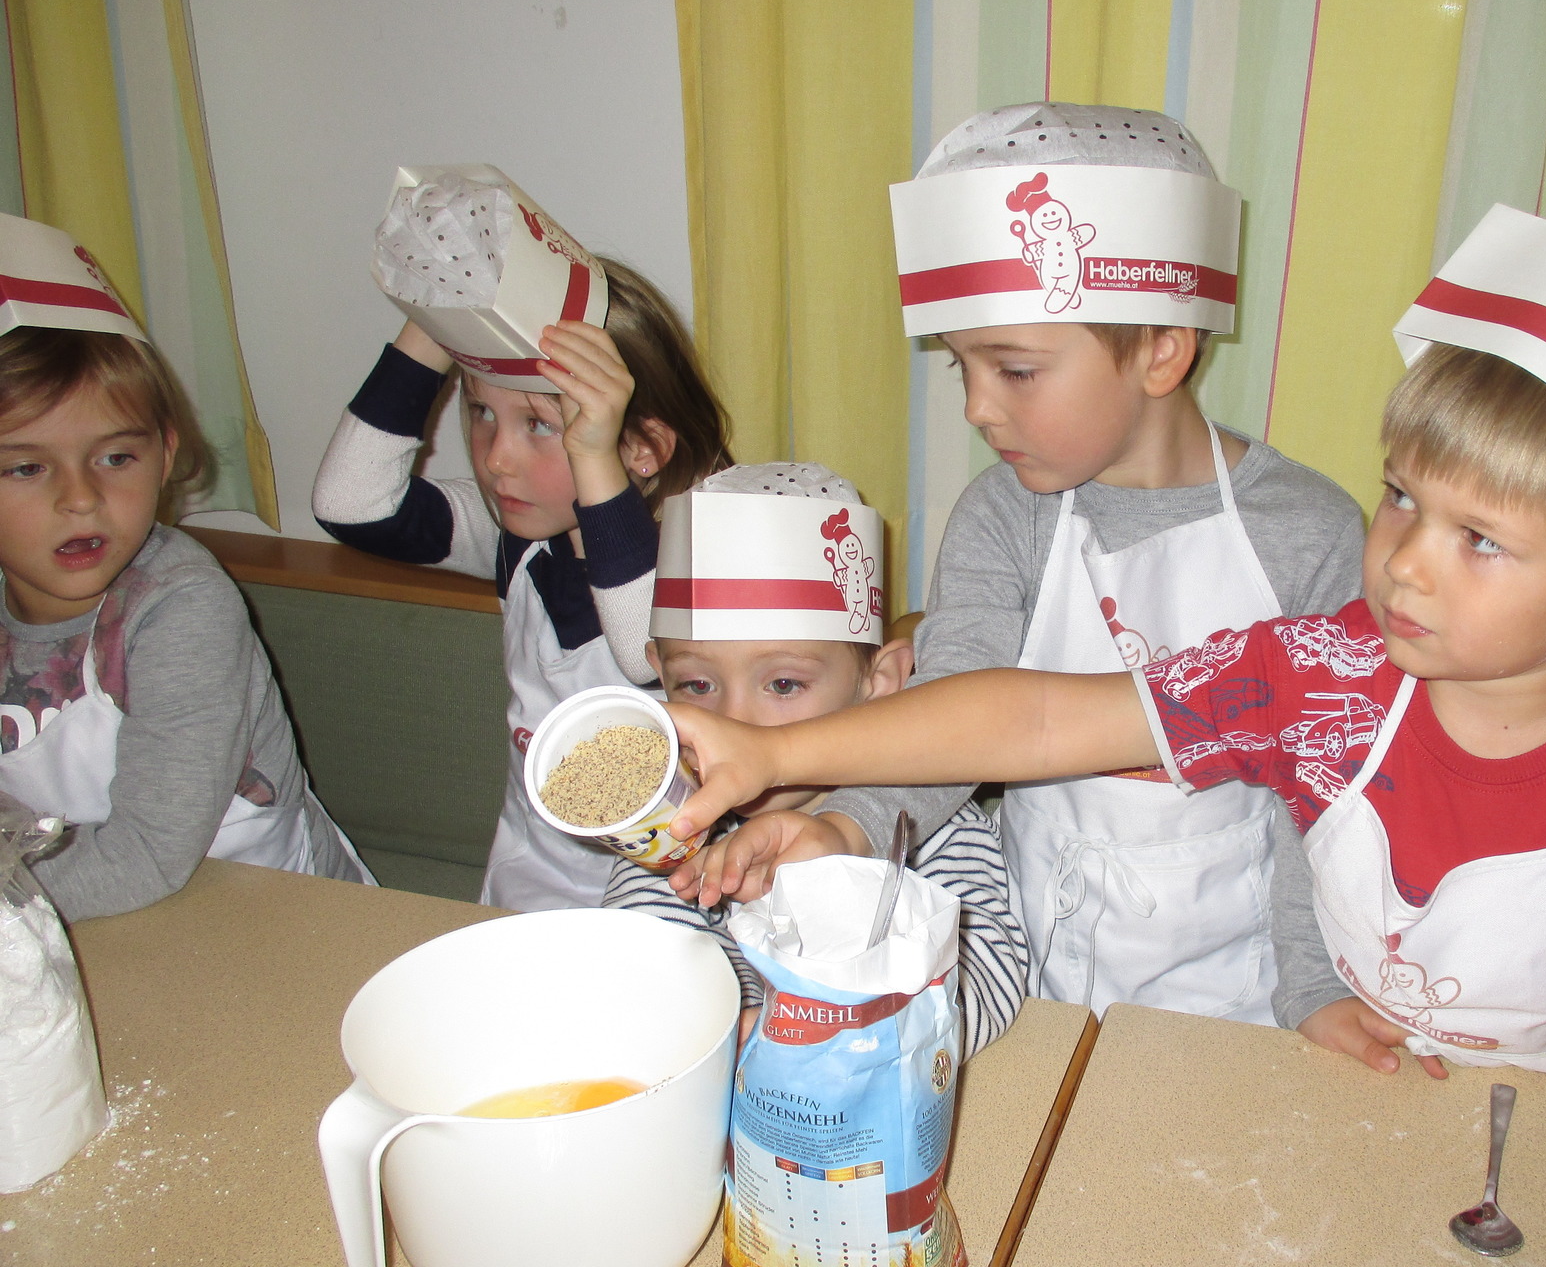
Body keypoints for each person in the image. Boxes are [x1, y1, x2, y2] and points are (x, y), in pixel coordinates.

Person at [657, 208, 1546, 1240]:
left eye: (1478, 541)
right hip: (1377, 1093)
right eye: (1401, 496)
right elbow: (1029, 721)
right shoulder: (1321, 681)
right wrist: (783, 760)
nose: (1400, 564)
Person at [677, 103, 1363, 1029]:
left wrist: (1316, 991)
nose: (976, 409)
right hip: (1037, 987)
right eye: (962, 367)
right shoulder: (1004, 519)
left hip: (1240, 1000)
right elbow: (951, 718)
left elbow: (1326, 801)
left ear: (1163, 348)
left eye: (1015, 370)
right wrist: (848, 828)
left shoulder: (1309, 533)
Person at [313, 172, 731, 910]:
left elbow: (643, 650)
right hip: (526, 888)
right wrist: (442, 318)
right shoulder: (519, 538)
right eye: (479, 413)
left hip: (665, 907)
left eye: (541, 425)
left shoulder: (698, 562)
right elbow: (349, 504)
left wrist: (594, 455)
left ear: (641, 450)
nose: (495, 456)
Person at [0, 213, 367, 920]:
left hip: (268, 920)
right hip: (82, 923)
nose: (80, 498)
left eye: (116, 457)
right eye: (24, 467)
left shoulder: (179, 605)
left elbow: (147, 854)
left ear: (166, 455)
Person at [604, 463, 1026, 1057]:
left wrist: (811, 1032)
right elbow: (634, 963)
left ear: (877, 683)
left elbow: (988, 978)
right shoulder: (679, 826)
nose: (734, 724)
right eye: (697, 686)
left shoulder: (929, 822)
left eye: (782, 684)